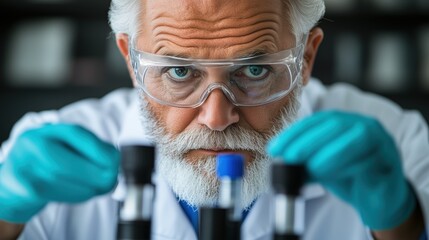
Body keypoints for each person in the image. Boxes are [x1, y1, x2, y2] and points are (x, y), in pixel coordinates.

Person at [0, 0, 428, 239]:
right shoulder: (48, 154)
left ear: (307, 57)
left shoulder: (399, 145)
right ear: (132, 61)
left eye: (255, 71)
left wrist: (403, 224)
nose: (217, 117)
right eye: (180, 72)